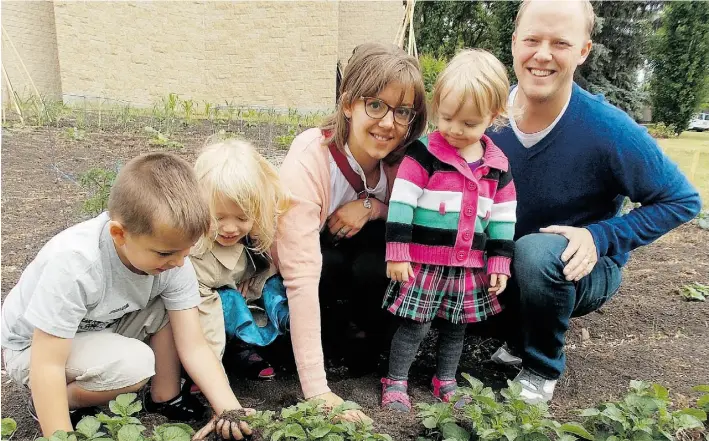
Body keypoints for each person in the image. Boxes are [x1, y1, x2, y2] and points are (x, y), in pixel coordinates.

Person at [486, 0, 702, 404]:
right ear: (514, 43)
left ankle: (541, 366)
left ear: (583, 51)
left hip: (575, 267)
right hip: (499, 265)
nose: (542, 54)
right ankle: (514, 333)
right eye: (532, 39)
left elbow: (681, 200)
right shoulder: (485, 116)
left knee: (536, 252)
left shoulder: (608, 129)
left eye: (560, 43)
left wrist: (600, 236)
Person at [1, 153, 256, 440]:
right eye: (166, 253)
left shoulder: (172, 257)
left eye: (187, 250)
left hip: (99, 325)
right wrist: (59, 435)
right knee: (133, 365)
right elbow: (48, 363)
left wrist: (228, 409)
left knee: (169, 304)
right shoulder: (76, 264)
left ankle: (165, 395)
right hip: (31, 349)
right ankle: (55, 402)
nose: (179, 263)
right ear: (119, 234)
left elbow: (194, 344)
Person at [273, 42, 427, 418]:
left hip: (359, 268)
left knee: (387, 252)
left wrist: (372, 207)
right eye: (375, 105)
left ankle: (368, 343)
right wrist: (317, 392)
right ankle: (311, 345)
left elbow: (425, 223)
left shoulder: (404, 161)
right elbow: (300, 272)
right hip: (301, 268)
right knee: (331, 262)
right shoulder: (312, 158)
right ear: (347, 104)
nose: (389, 123)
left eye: (402, 111)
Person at [380, 49, 516, 412]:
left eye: (469, 123)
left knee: (456, 328)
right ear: (437, 105)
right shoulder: (424, 155)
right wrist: (398, 252)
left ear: (494, 115)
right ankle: (395, 381)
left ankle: (447, 379)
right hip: (423, 262)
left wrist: (499, 262)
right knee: (416, 324)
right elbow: (402, 203)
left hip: (469, 265)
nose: (455, 129)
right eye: (447, 117)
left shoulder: (498, 166)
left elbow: (503, 217)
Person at [191, 138, 291, 384]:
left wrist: (257, 279)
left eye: (242, 217)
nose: (230, 228)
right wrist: (209, 372)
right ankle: (212, 364)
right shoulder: (196, 253)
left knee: (274, 288)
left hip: (241, 295)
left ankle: (260, 342)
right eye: (219, 217)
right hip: (204, 315)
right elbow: (202, 313)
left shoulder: (258, 234)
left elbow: (272, 262)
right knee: (224, 306)